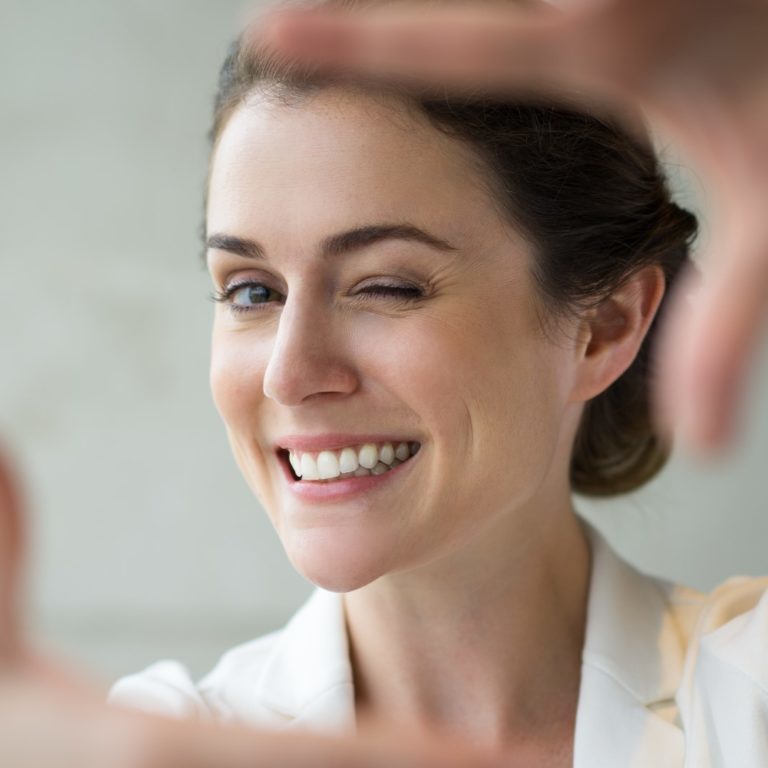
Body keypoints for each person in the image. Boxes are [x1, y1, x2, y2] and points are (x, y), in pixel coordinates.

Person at [2, 1, 768, 766]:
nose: (289, 376)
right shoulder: (151, 739)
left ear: (604, 326)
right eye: (252, 292)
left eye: (387, 286)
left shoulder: (749, 693)